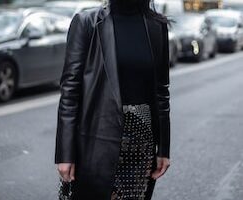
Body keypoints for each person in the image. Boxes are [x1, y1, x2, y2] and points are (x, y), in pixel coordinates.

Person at [54, 0, 171, 199]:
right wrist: (65, 154)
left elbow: (161, 91)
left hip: (140, 143)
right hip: (96, 139)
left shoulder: (156, 26)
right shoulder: (86, 23)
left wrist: (164, 148)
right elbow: (70, 92)